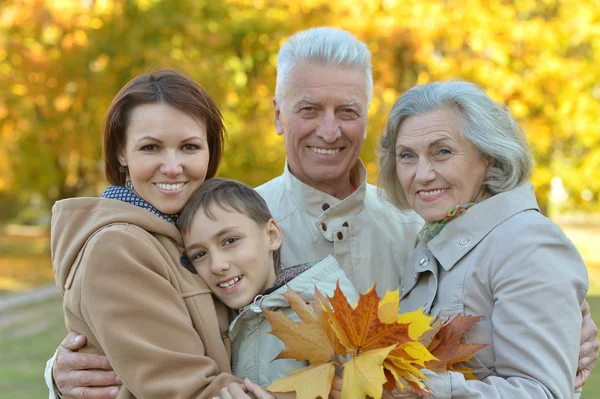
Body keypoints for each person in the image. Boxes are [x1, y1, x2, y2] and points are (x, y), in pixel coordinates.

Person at [46, 27, 599, 399]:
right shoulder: (222, 223)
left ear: (366, 118)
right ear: (279, 115)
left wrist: (564, 327)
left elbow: (504, 328)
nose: (329, 130)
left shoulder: (421, 227)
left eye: (347, 111)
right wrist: (59, 373)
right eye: (309, 109)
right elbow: (144, 313)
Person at [377, 80, 588, 398]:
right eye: (407, 156)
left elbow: (544, 392)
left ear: (488, 155)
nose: (421, 174)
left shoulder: (528, 244)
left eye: (442, 152)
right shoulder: (428, 243)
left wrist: (427, 391)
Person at [49, 69, 244, 398]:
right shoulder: (118, 247)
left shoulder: (199, 233)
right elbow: (188, 391)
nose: (172, 166)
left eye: (189, 147)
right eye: (151, 148)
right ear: (121, 152)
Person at [177, 177, 354, 393]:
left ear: (272, 235)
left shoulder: (328, 314)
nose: (217, 265)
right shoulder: (219, 323)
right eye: (200, 254)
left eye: (230, 241)